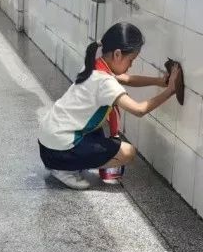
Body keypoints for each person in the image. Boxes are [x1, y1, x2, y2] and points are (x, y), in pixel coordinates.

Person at [38, 22, 182, 189]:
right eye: (131, 60)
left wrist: (159, 82)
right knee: (128, 152)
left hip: (48, 142)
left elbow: (126, 79)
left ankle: (65, 162)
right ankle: (64, 169)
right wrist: (170, 90)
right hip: (57, 150)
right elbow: (139, 110)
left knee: (99, 132)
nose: (131, 65)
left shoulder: (95, 64)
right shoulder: (104, 82)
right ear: (118, 54)